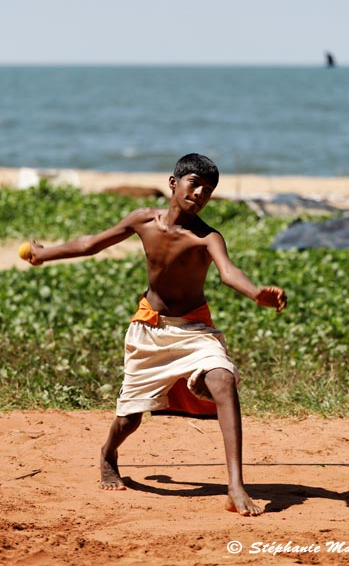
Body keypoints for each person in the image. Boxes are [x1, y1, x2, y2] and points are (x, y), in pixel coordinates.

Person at [28, 153, 287, 516]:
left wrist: (255, 293)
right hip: (149, 330)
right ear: (173, 183)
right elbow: (91, 243)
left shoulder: (207, 238)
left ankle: (235, 485)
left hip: (194, 330)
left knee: (223, 380)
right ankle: (107, 454)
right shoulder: (143, 220)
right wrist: (45, 254)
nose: (199, 193)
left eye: (208, 190)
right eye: (194, 183)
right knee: (130, 417)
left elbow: (229, 273)